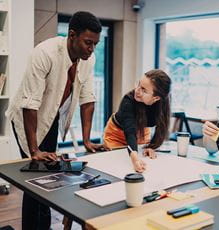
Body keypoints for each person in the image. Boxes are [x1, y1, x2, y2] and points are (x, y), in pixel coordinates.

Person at [6, 11, 104, 230]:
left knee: (48, 179)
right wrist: (34, 150)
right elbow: (30, 103)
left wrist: (87, 141)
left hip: (51, 117)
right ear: (72, 35)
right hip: (27, 119)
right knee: (34, 181)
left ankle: (45, 226)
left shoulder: (89, 59)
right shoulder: (45, 53)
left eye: (95, 44)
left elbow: (88, 99)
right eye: (88, 43)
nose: (92, 49)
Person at [103, 69, 171, 172]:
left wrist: (151, 146)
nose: (137, 91)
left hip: (141, 134)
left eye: (144, 90)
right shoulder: (128, 101)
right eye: (138, 84)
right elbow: (130, 132)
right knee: (117, 167)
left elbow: (161, 127)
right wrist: (135, 159)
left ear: (156, 98)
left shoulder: (163, 103)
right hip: (116, 134)